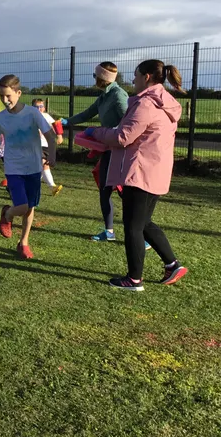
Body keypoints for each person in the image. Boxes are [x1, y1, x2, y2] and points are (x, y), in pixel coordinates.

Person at [83, 60, 189, 291]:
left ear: (147, 77)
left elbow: (123, 136)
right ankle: (172, 265)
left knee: (133, 227)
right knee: (144, 222)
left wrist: (96, 133)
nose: (133, 80)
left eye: (136, 75)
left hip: (140, 172)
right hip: (155, 171)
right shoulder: (164, 102)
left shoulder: (147, 105)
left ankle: (134, 279)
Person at [0, 75, 57, 260]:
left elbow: (50, 136)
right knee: (22, 205)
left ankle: (24, 243)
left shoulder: (33, 114)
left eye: (8, 96)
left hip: (34, 168)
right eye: (1, 96)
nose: (5, 100)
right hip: (13, 169)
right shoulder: (0, 118)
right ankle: (8, 213)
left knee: (30, 207)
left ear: (18, 93)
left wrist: (52, 154)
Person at [62, 62, 137, 243]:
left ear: (102, 78)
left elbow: (130, 122)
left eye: (95, 76)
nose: (93, 78)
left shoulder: (118, 96)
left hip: (119, 152)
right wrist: (67, 122)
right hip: (107, 151)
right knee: (104, 191)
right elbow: (88, 113)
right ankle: (109, 231)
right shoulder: (104, 96)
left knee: (124, 193)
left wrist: (105, 133)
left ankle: (142, 234)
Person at [31, 99, 63, 196]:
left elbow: (56, 124)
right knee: (44, 163)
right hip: (34, 145)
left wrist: (59, 135)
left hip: (46, 145)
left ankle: (32, 186)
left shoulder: (46, 116)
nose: (39, 109)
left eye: (41, 106)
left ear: (44, 108)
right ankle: (52, 186)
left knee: (42, 166)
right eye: (37, 107)